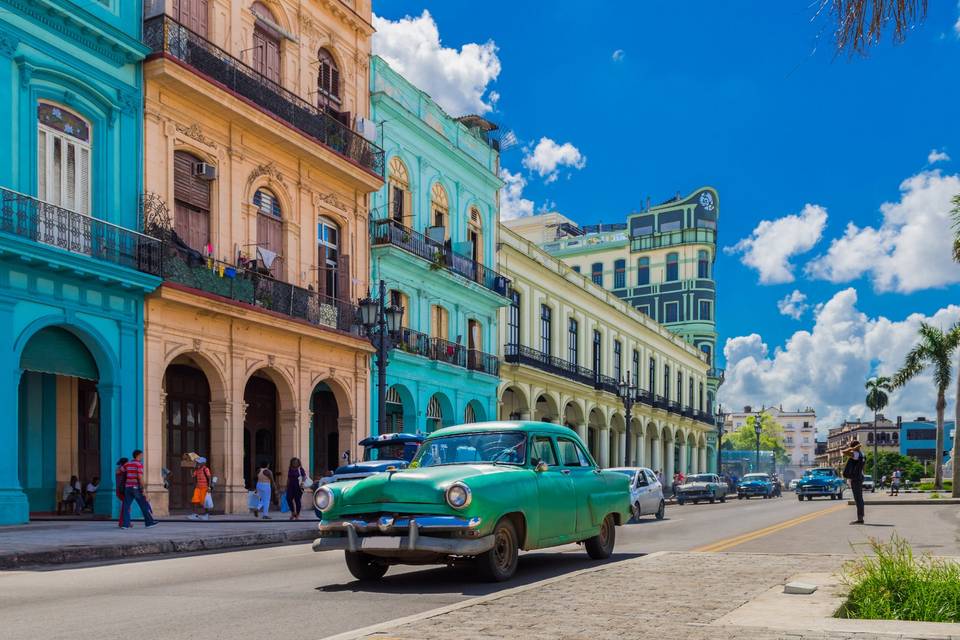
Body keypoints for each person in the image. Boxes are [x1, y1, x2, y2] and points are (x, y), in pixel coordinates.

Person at [120, 449, 158, 529]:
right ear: (138, 455)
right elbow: (140, 477)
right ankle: (149, 523)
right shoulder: (138, 464)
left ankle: (125, 525)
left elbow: (118, 471)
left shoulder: (128, 464)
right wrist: (143, 489)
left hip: (127, 487)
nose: (142, 457)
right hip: (136, 488)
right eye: (141, 455)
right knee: (143, 505)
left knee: (126, 506)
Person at [842, 440, 866, 525]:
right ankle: (860, 517)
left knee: (858, 498)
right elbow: (863, 467)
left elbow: (844, 452)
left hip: (856, 478)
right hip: (860, 477)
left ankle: (860, 519)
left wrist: (852, 448)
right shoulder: (862, 454)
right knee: (859, 498)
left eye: (851, 446)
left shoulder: (855, 454)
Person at [115, 458, 127, 528]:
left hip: (120, 490)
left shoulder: (119, 469)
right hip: (122, 490)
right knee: (126, 507)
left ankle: (123, 522)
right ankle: (124, 522)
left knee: (125, 507)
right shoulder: (122, 469)